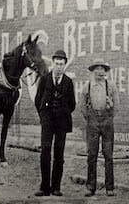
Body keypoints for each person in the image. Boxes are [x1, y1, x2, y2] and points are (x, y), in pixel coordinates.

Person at [34, 50, 76, 197]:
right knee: (45, 152)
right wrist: (44, 117)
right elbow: (38, 100)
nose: (59, 67)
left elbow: (72, 104)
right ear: (53, 64)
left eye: (61, 64)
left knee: (59, 154)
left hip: (61, 123)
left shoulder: (68, 82)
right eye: (56, 63)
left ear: (65, 65)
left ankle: (56, 187)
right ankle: (44, 187)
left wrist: (62, 115)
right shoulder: (45, 79)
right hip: (47, 122)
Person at [82, 57, 118, 197]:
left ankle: (110, 187)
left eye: (102, 69)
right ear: (92, 71)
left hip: (107, 121)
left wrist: (109, 116)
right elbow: (82, 106)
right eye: (97, 69)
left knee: (108, 155)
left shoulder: (111, 86)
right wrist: (90, 118)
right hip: (92, 121)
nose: (99, 72)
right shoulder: (87, 86)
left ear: (105, 71)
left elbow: (117, 105)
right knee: (92, 155)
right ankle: (91, 186)